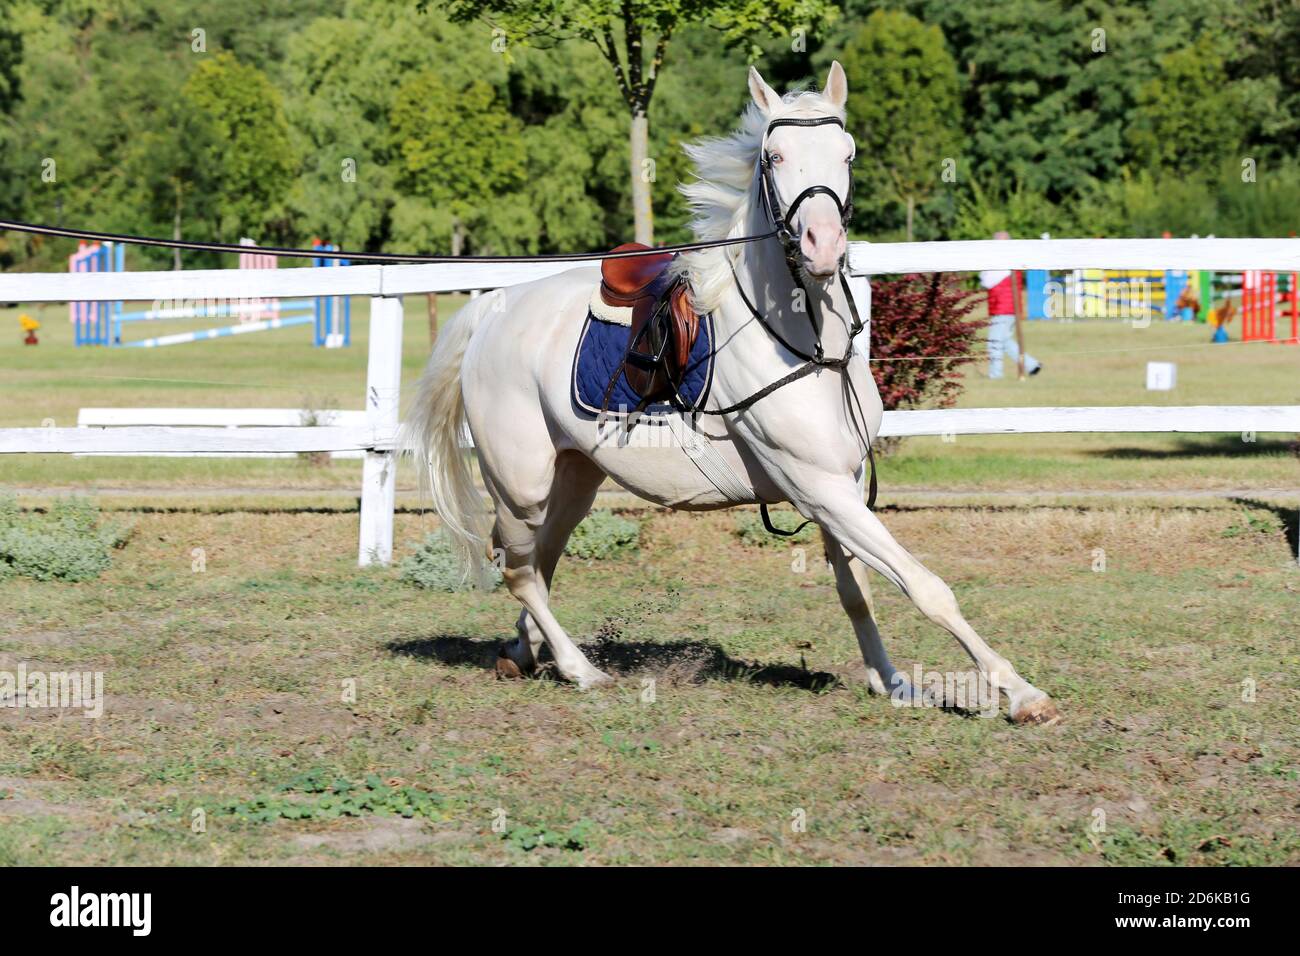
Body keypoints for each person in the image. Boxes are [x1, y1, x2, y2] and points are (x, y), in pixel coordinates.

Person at [979, 231, 1041, 379]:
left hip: (1002, 308)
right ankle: (1032, 365)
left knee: (994, 343)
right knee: (1005, 341)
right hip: (1009, 308)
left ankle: (995, 376)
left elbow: (986, 281)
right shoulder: (1012, 260)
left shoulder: (1001, 263)